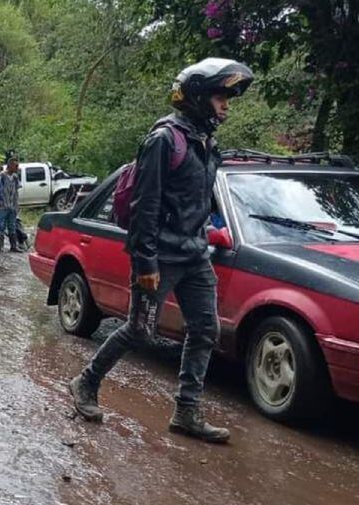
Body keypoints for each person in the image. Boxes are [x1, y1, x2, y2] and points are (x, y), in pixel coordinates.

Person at [68, 58, 254, 443]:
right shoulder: (165, 140)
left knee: (206, 329)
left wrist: (211, 231)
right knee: (140, 330)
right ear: (198, 97)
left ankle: (187, 411)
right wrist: (145, 262)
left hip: (195, 255)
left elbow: (197, 200)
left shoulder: (206, 142)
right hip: (160, 257)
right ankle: (86, 382)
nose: (226, 105)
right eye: (220, 97)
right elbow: (145, 206)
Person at [0, 158, 22, 252]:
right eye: (15, 166)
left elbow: (16, 191)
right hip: (3, 206)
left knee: (12, 226)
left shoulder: (15, 177)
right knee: (1, 226)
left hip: (12, 206)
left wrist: (16, 205)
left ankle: (13, 246)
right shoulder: (1, 176)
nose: (17, 168)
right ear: (10, 166)